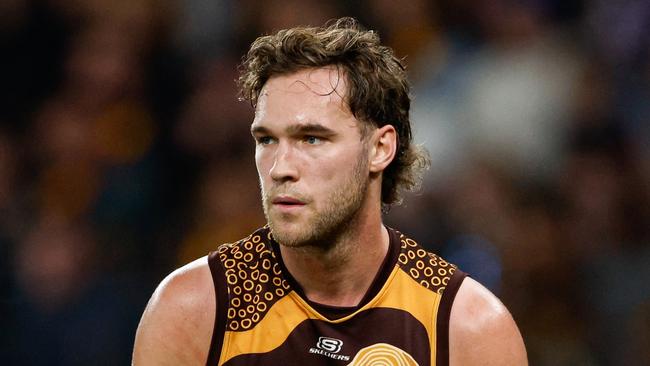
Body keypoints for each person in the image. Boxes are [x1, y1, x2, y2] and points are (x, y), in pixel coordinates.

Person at [132, 18, 527, 365]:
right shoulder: (193, 311)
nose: (281, 168)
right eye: (267, 140)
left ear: (380, 148)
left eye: (312, 139)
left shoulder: (467, 329)